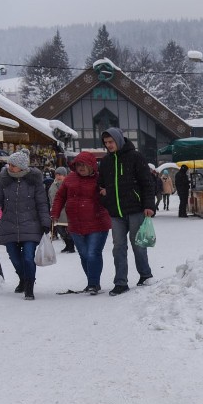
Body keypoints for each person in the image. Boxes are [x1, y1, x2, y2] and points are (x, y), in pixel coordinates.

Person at [0, 149, 51, 300]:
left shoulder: (34, 181)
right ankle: (23, 278)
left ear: (22, 166)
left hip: (31, 224)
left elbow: (42, 204)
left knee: (27, 257)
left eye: (12, 165)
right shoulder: (4, 180)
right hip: (9, 224)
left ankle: (29, 286)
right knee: (14, 257)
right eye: (9, 164)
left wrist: (46, 223)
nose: (9, 167)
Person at [97, 127, 155, 296]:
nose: (108, 145)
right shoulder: (106, 162)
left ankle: (145, 275)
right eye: (106, 143)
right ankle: (121, 282)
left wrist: (149, 205)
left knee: (138, 244)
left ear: (119, 140)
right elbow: (100, 184)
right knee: (118, 247)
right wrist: (104, 196)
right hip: (116, 212)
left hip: (136, 209)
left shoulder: (135, 157)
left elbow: (147, 183)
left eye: (111, 142)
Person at [51, 152, 111, 294]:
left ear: (91, 166)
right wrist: (55, 213)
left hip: (97, 222)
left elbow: (110, 195)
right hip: (75, 223)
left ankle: (93, 284)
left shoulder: (100, 178)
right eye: (79, 165)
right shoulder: (70, 179)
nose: (81, 168)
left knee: (92, 254)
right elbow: (60, 196)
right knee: (84, 254)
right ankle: (91, 282)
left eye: (84, 165)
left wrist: (106, 194)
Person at [48, 167, 75, 253]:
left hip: (65, 211)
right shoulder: (53, 185)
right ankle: (67, 244)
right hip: (56, 211)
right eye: (57, 174)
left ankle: (71, 245)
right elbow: (50, 196)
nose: (58, 176)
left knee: (68, 229)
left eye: (61, 175)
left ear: (65, 176)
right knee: (60, 229)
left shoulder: (67, 184)